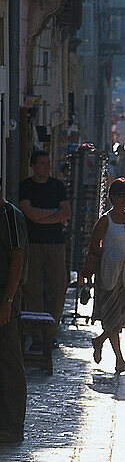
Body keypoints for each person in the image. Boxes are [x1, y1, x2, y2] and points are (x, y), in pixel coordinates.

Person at [80, 178, 125, 373]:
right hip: (108, 272)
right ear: (112, 196)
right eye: (121, 194)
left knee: (121, 315)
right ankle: (119, 359)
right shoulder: (105, 220)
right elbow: (93, 245)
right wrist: (98, 266)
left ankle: (100, 341)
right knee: (111, 316)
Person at [19, 150, 71, 338]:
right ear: (33, 166)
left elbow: (66, 213)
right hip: (32, 243)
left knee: (57, 288)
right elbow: (29, 213)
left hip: (56, 243)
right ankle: (37, 334)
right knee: (33, 289)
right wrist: (53, 213)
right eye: (42, 163)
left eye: (48, 163)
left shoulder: (57, 186)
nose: (47, 166)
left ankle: (51, 333)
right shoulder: (26, 186)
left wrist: (40, 217)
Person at [0, 184, 27, 443]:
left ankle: (13, 424)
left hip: (4, 297)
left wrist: (8, 299)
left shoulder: (10, 215)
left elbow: (17, 259)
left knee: (9, 359)